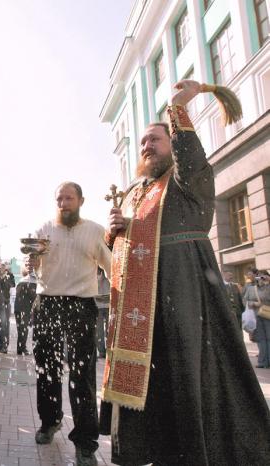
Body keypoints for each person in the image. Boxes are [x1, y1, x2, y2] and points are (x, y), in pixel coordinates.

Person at [100, 80, 270, 465]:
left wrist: (177, 109)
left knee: (189, 383)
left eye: (156, 139)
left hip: (185, 299)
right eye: (143, 142)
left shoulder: (185, 181)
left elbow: (190, 157)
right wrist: (117, 233)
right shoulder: (136, 192)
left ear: (173, 143)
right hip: (146, 317)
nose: (147, 146)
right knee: (154, 390)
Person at [28, 181, 111, 466]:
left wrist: (124, 297)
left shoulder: (95, 230)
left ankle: (85, 440)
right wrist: (33, 258)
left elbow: (112, 267)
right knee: (46, 369)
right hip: (48, 303)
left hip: (80, 305)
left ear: (81, 200)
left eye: (69, 198)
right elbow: (35, 267)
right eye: (59, 199)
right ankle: (49, 421)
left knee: (82, 373)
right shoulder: (44, 230)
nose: (64, 203)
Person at [244, 270, 270, 368]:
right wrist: (253, 303)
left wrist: (268, 283)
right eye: (259, 276)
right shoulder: (251, 289)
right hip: (257, 316)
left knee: (269, 339)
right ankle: (263, 362)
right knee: (261, 340)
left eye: (263, 276)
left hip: (268, 316)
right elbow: (245, 301)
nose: (261, 278)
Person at [14, 265, 37, 356]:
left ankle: (20, 348)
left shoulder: (21, 281)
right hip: (25, 309)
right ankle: (22, 349)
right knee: (23, 330)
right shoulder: (32, 282)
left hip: (18, 308)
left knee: (21, 330)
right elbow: (34, 297)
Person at [94, 268, 110, 358]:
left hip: (108, 305)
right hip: (98, 305)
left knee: (109, 330)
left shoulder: (108, 273)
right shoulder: (92, 275)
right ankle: (101, 351)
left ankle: (109, 350)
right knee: (99, 330)